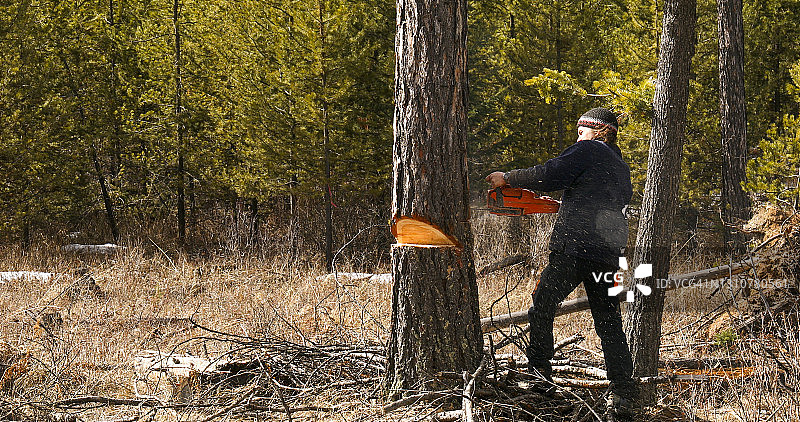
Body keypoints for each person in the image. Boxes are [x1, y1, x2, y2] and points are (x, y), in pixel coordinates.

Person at [485, 107, 638, 419]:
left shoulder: (588, 150)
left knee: (542, 305)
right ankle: (623, 392)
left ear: (599, 131)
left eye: (582, 129)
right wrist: (567, 204)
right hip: (607, 254)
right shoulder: (621, 167)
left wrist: (508, 178)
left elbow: (549, 174)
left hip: (574, 249)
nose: (577, 134)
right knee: (609, 322)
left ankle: (540, 379)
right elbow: (605, 202)